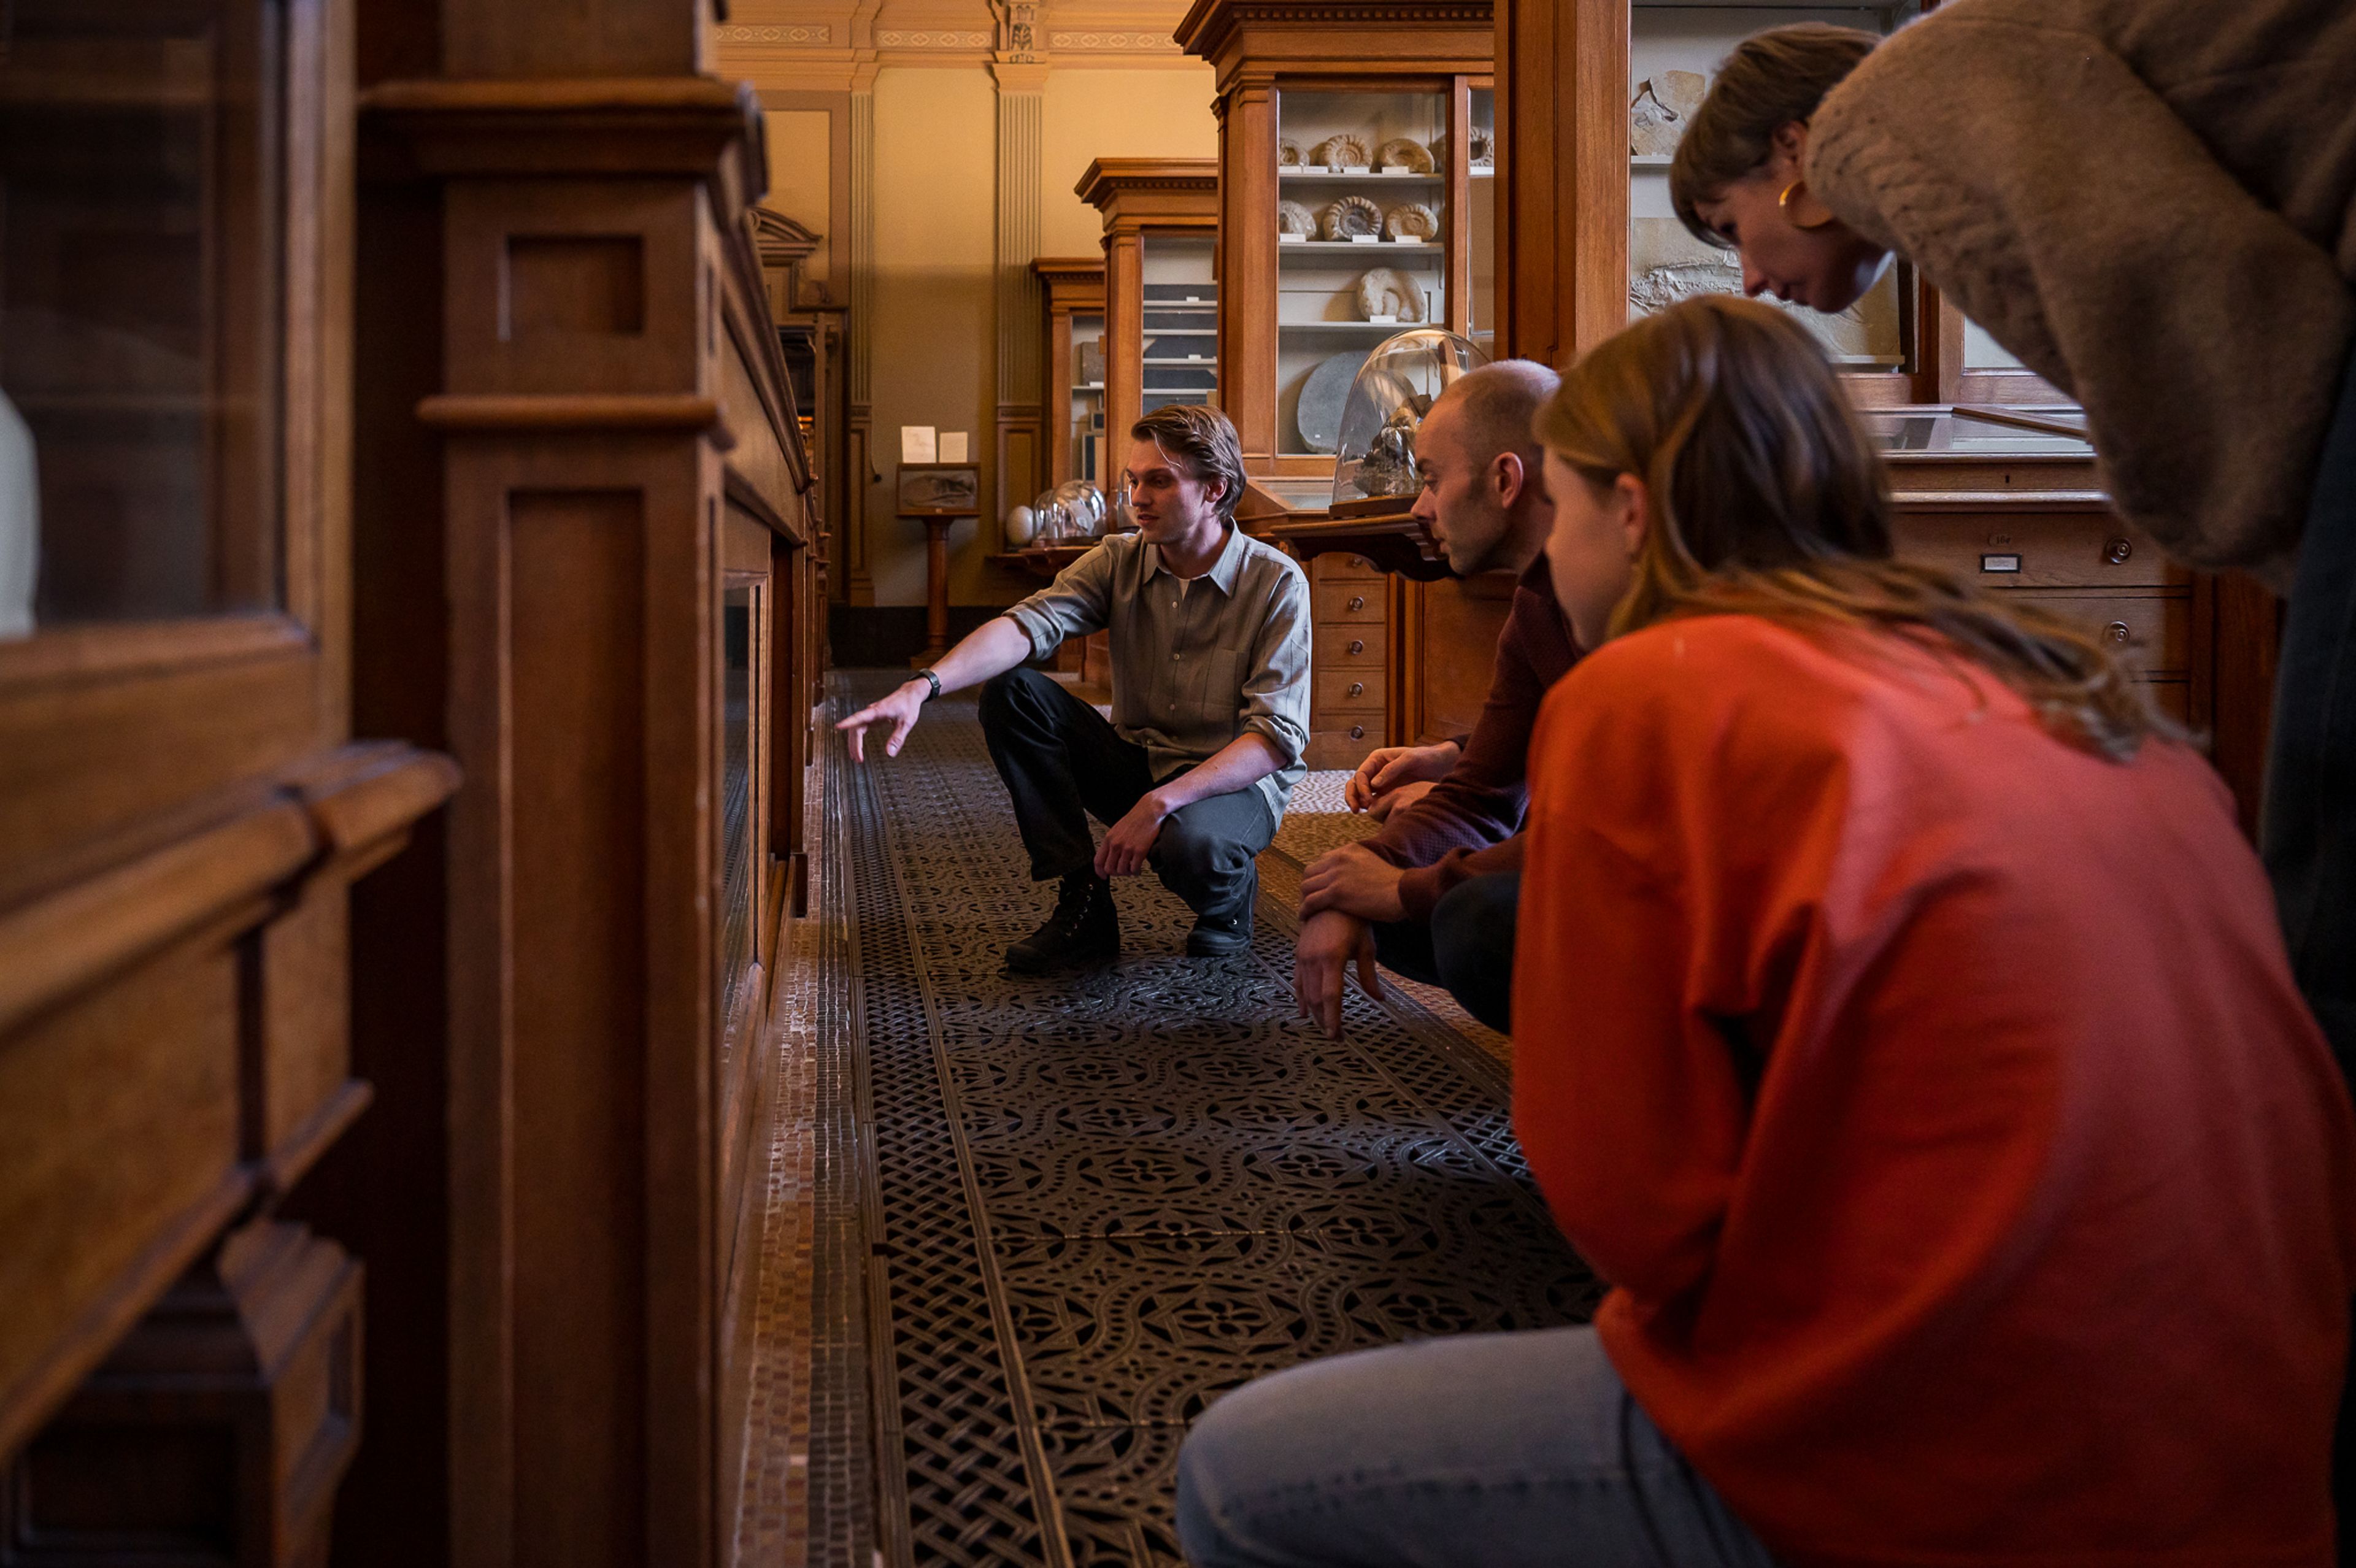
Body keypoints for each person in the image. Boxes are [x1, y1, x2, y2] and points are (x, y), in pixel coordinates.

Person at [1176, 298, 2356, 1567]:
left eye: (1567, 506)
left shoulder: (1649, 695)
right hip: (2268, 1453)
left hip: (2003, 1473)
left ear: (1632, 512)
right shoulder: (2062, 686)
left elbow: (1639, 1221)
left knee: (1240, 1480)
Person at [1663, 7, 2356, 1074]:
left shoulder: (1880, 122)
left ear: (1793, 154)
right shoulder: (1932, 92)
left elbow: (2171, 280)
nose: (1749, 278)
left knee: (2332, 832)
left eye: (1728, 224)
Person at [837, 403, 1310, 971]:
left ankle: (1229, 900)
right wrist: (925, 685)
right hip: (1139, 758)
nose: (1137, 498)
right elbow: (1024, 626)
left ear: (1215, 489)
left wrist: (1159, 804)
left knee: (1194, 847)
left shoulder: (1276, 582)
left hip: (1231, 783)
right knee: (1013, 693)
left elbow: (1274, 740)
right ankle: (1083, 901)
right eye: (1133, 480)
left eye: (1159, 482)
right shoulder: (1119, 558)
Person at [1290, 360, 1577, 1037]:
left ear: (1504, 481)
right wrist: (1365, 873)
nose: (1420, 508)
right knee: (1390, 902)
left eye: (1430, 479)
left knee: (1465, 921)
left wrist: (1402, 887)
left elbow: (1602, 839)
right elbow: (1481, 793)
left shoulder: (1634, 597)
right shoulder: (1536, 605)